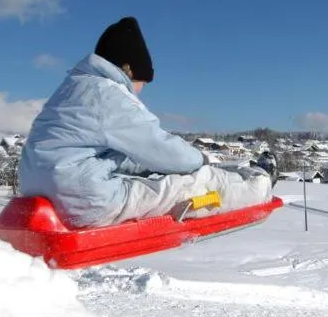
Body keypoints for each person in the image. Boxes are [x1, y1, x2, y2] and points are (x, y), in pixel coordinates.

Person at [18, 16, 277, 228]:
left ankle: (247, 175)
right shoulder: (108, 94)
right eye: (142, 83)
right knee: (196, 184)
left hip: (42, 190)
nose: (140, 90)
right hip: (85, 199)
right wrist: (200, 160)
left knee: (153, 173)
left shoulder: (72, 89)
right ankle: (260, 184)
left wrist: (149, 168)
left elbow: (113, 157)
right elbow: (165, 152)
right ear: (128, 69)